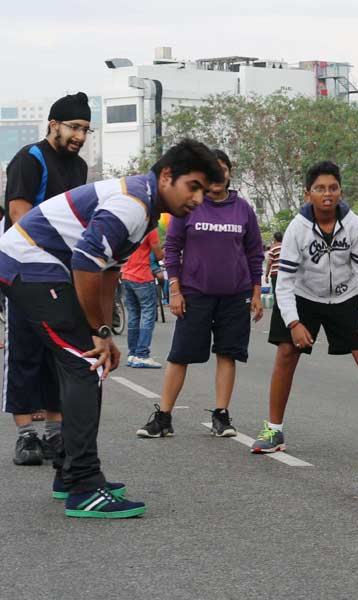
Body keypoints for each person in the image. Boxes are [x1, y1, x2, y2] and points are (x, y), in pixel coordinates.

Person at [0, 138, 223, 517]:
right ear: (167, 175)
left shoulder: (145, 204)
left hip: (42, 267)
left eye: (206, 191)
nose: (198, 199)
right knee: (85, 365)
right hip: (30, 266)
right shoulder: (132, 204)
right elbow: (86, 263)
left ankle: (70, 475)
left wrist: (104, 332)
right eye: (194, 187)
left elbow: (105, 273)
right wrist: (96, 335)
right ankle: (84, 485)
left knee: (92, 362)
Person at [251, 161, 358, 456]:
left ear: (340, 191)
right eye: (320, 188)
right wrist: (294, 323)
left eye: (333, 188)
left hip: (344, 297)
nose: (327, 194)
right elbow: (283, 282)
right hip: (303, 295)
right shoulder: (297, 228)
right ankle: (273, 430)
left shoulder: (354, 225)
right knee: (286, 353)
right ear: (308, 193)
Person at [137, 150, 264, 438]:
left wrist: (255, 292)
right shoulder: (190, 206)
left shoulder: (243, 209)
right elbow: (172, 249)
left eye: (224, 170)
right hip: (195, 295)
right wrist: (175, 290)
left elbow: (255, 252)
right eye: (213, 172)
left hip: (235, 295)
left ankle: (221, 415)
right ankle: (164, 417)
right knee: (180, 355)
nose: (219, 177)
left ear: (230, 174)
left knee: (227, 354)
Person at [3, 92, 91, 467]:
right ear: (53, 124)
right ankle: (26, 437)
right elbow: (19, 210)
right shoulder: (30, 158)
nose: (80, 136)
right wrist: (46, 251)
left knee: (60, 352)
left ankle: (56, 434)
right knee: (24, 349)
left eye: (86, 129)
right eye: (74, 127)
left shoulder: (80, 167)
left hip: (61, 269)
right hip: (24, 267)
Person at [120, 228, 164, 368]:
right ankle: (142, 354)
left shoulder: (129, 226)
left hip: (126, 274)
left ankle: (132, 354)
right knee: (147, 314)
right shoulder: (150, 229)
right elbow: (158, 255)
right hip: (142, 276)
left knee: (133, 315)